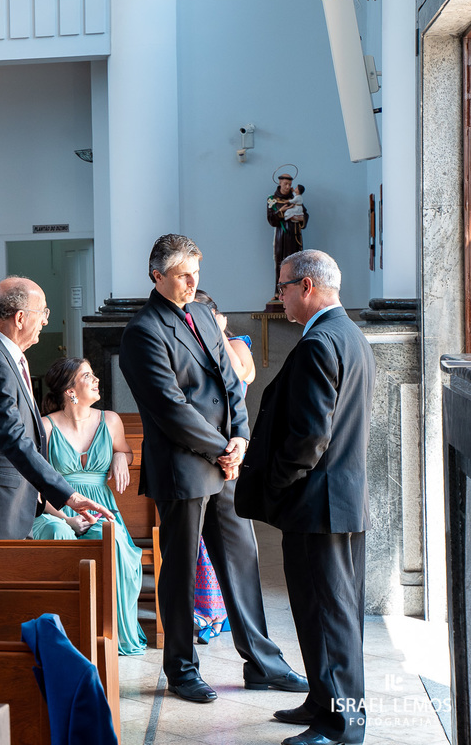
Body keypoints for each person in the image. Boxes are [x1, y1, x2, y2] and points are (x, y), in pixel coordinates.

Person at [118, 234, 305, 704]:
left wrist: (240, 437)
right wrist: (222, 447)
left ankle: (263, 663)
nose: (192, 282)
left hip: (225, 463)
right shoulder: (142, 331)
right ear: (156, 275)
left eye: (196, 273)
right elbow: (169, 408)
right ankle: (181, 669)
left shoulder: (202, 314)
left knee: (242, 560)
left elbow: (231, 382)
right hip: (183, 467)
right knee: (180, 572)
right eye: (183, 275)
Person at [235, 250, 374, 745]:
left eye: (283, 287)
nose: (279, 297)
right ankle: (322, 700)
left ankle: (341, 725)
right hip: (341, 499)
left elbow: (311, 436)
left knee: (331, 615)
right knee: (325, 611)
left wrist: (277, 482)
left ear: (307, 287)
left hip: (319, 504)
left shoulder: (319, 343)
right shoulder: (350, 335)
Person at [0, 276, 113, 540]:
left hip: (8, 503)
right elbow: (12, 438)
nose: (45, 321)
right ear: (20, 318)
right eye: (43, 312)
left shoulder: (3, 355)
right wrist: (69, 495)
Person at [32, 357, 147, 656]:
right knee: (58, 534)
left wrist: (121, 456)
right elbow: (36, 484)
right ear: (70, 391)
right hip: (55, 510)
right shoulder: (45, 427)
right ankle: (63, 633)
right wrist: (66, 519)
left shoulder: (110, 420)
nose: (96, 380)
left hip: (99, 508)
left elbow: (126, 451)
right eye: (87, 376)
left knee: (114, 541)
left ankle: (111, 633)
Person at [189, 289, 257, 644]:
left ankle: (226, 612)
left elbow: (241, 374)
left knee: (233, 540)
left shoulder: (236, 344)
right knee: (200, 543)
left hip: (232, 451)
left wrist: (217, 332)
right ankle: (204, 612)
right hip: (201, 455)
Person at [268, 172, 309, 300]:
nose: (287, 187)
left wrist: (301, 219)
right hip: (281, 235)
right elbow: (271, 219)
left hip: (295, 234)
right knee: (280, 263)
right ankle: (279, 292)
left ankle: (296, 292)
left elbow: (305, 214)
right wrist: (281, 211)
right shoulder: (272, 200)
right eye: (285, 184)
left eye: (290, 184)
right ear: (279, 183)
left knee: (296, 263)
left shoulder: (296, 198)